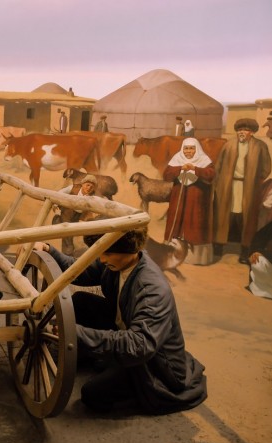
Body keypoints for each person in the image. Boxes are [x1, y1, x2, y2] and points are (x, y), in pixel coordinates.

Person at [34, 227, 208, 415]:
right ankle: (103, 360)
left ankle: (129, 382)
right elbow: (79, 270)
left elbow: (139, 346)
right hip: (126, 329)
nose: (102, 259)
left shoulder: (152, 290)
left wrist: (77, 333)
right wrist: (49, 250)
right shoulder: (118, 260)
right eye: (101, 252)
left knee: (92, 394)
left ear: (132, 250)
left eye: (107, 254)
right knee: (81, 301)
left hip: (153, 364)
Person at [213, 118, 272, 263]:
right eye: (239, 130)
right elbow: (219, 165)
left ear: (252, 132)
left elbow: (266, 168)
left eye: (245, 130)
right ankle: (218, 247)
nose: (242, 132)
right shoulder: (229, 145)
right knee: (224, 215)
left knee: (248, 218)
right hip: (228, 186)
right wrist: (220, 183)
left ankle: (245, 251)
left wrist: (255, 182)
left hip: (249, 188)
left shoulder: (260, 146)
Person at [163, 138, 215, 265]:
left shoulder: (204, 160)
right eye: (186, 148)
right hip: (179, 197)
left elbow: (211, 174)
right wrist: (180, 168)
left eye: (191, 148)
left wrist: (195, 168)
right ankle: (174, 252)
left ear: (197, 150)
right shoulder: (177, 158)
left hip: (196, 198)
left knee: (194, 222)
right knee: (177, 220)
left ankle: (194, 257)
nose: (188, 151)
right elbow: (167, 175)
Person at [53, 174, 98, 255]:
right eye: (87, 185)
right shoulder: (73, 188)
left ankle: (68, 252)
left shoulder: (92, 196)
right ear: (83, 184)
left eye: (91, 187)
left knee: (71, 233)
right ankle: (68, 253)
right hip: (67, 212)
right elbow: (58, 194)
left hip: (78, 216)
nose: (89, 188)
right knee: (67, 233)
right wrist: (55, 205)